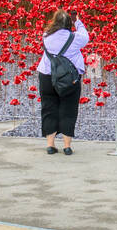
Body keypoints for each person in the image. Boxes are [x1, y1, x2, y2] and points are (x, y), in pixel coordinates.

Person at [36, 9, 88, 155]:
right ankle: (67, 146)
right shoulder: (75, 38)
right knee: (69, 109)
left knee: (48, 108)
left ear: (54, 21)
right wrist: (77, 21)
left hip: (46, 76)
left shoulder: (46, 36)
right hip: (69, 79)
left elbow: (50, 32)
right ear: (69, 23)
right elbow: (86, 36)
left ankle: (50, 145)